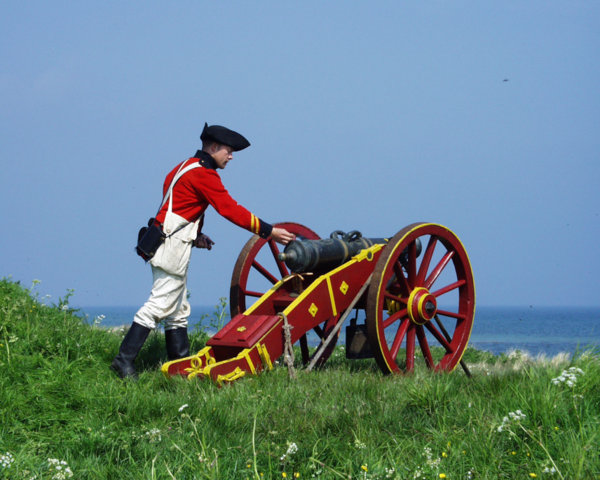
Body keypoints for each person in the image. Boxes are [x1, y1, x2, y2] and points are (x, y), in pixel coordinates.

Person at [111, 123, 296, 378]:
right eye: (228, 151)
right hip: (172, 246)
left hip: (168, 239)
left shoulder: (182, 167)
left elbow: (182, 207)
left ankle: (179, 367)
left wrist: (196, 236)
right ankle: (123, 361)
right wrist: (269, 230)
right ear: (213, 147)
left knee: (177, 311)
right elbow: (230, 209)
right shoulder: (204, 175)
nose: (230, 157)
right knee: (160, 303)